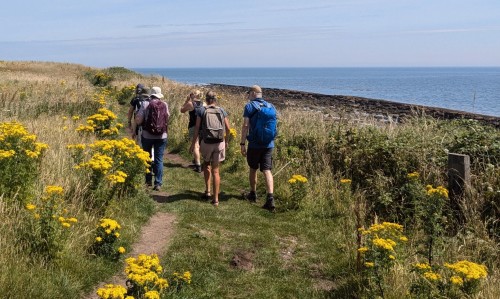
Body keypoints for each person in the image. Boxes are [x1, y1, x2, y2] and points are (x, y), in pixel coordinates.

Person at [190, 91, 231, 206]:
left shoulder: (201, 110)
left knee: (206, 165)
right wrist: (226, 141)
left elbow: (197, 129)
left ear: (207, 100)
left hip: (206, 142)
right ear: (215, 100)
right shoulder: (222, 110)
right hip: (219, 142)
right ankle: (216, 199)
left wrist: (193, 144)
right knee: (216, 170)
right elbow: (228, 129)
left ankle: (208, 191)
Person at [240, 85, 277, 211]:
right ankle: (270, 198)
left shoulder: (249, 106)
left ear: (254, 93)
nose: (248, 95)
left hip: (255, 144)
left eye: (249, 93)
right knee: (267, 170)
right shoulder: (271, 106)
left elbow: (245, 126)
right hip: (268, 144)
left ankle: (253, 193)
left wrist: (242, 143)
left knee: (253, 168)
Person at [135, 86, 169, 191]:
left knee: (147, 157)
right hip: (161, 136)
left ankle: (148, 181)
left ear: (151, 94)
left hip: (147, 135)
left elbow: (138, 121)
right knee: (159, 159)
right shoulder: (165, 104)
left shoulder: (145, 104)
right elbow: (167, 117)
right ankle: (158, 183)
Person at [180, 89, 204, 173]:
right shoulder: (203, 104)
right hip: (203, 127)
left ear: (193, 95)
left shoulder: (190, 104)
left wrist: (186, 100)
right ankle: (197, 161)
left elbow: (182, 110)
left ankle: (198, 165)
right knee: (200, 145)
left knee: (196, 146)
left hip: (193, 126)